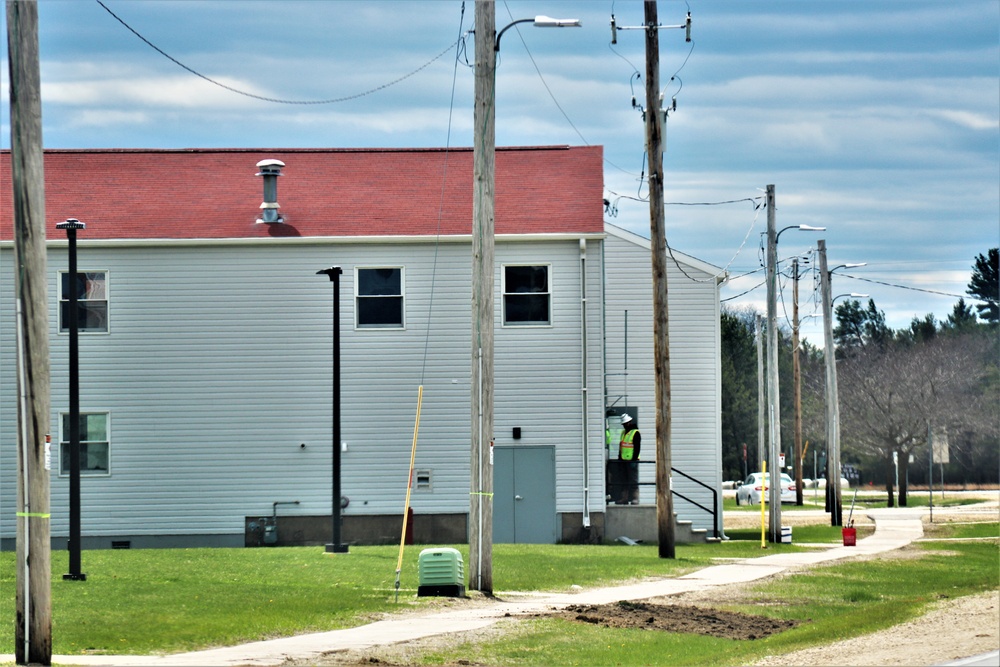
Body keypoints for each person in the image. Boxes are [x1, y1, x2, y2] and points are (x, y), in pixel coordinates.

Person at [618, 413, 641, 504]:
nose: (625, 426)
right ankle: (625, 498)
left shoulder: (635, 433)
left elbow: (637, 448)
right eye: (624, 424)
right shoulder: (623, 433)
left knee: (633, 480)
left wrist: (634, 460)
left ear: (630, 422)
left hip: (632, 460)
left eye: (626, 423)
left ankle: (635, 498)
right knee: (624, 479)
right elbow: (621, 446)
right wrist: (619, 457)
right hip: (624, 460)